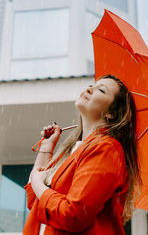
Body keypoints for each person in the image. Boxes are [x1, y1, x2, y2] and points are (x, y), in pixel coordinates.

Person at [23, 75, 141, 235]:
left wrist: (38, 182)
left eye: (100, 90)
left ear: (111, 114)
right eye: (92, 85)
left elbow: (73, 215)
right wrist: (46, 147)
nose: (89, 89)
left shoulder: (106, 149)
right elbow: (36, 202)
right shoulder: (73, 150)